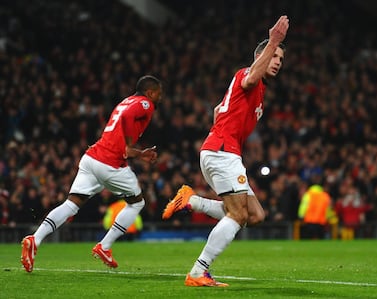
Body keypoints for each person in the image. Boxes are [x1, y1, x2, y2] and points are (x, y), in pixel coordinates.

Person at [162, 15, 289, 287]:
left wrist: (219, 118)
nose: (277, 61)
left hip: (222, 152)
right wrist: (275, 39)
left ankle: (192, 202)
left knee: (255, 215)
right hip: (222, 152)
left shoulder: (258, 90)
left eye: (280, 58)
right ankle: (198, 271)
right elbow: (250, 77)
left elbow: (219, 110)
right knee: (238, 215)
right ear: (261, 56)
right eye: (274, 56)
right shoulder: (247, 74)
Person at [20, 75, 162, 272]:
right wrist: (131, 146)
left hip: (92, 157)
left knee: (71, 204)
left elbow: (123, 121)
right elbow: (129, 118)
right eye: (158, 93)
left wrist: (136, 152)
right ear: (150, 92)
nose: (160, 97)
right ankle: (105, 246)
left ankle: (36, 238)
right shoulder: (145, 103)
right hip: (109, 163)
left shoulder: (126, 100)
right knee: (137, 203)